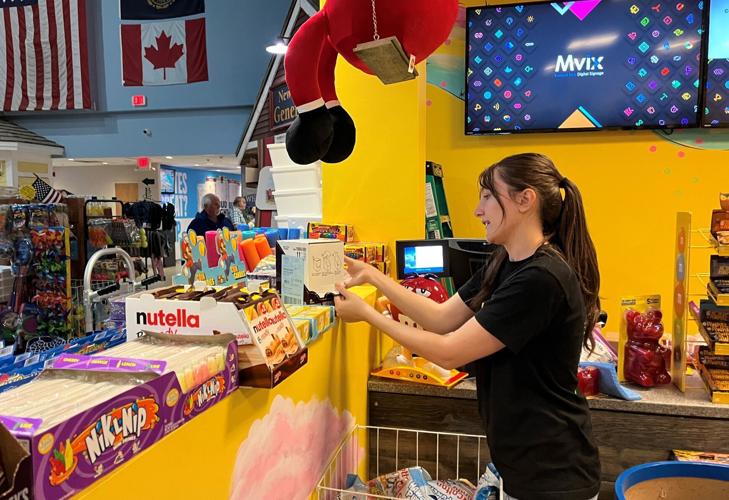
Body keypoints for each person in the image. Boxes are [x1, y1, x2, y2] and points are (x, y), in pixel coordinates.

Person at [334, 153, 601, 500]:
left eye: (488, 196)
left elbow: (449, 352)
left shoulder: (541, 279)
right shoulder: (505, 260)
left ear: (525, 200)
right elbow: (441, 317)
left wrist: (370, 316)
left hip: (553, 475)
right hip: (522, 466)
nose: (478, 209)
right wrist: (374, 277)